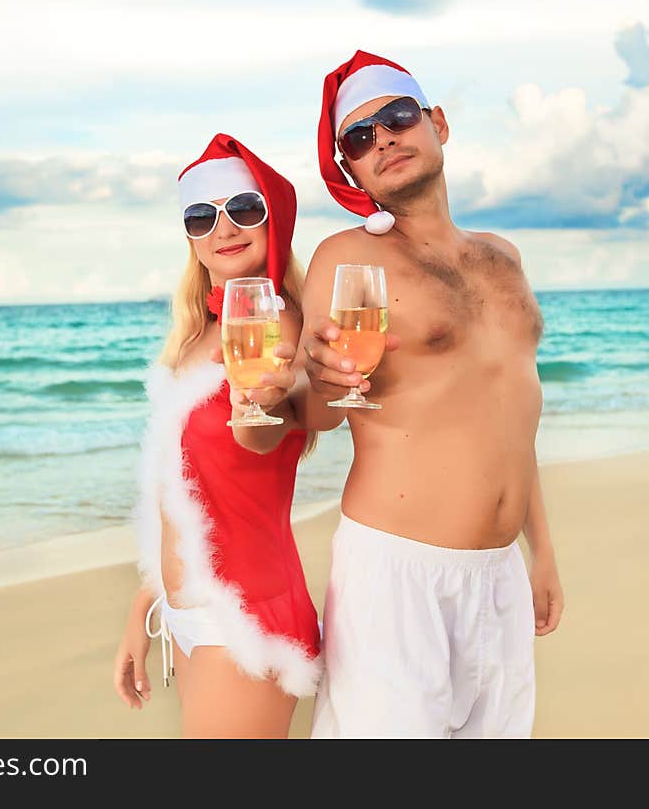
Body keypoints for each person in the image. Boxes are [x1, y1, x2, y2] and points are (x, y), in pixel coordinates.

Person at [241, 50, 564, 739]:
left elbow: (513, 417)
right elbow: (320, 405)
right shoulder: (348, 257)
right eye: (359, 137)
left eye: (397, 117)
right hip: (397, 576)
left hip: (500, 578)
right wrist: (312, 380)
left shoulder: (504, 257)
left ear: (437, 124)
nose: (383, 138)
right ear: (352, 171)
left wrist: (543, 554)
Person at [112, 134, 322, 738]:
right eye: (202, 216)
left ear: (273, 219)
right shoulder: (194, 340)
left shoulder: (277, 324)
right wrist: (144, 607)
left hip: (244, 616)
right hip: (188, 612)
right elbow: (180, 499)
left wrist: (271, 400)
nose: (224, 228)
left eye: (244, 209)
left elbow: (270, 433)